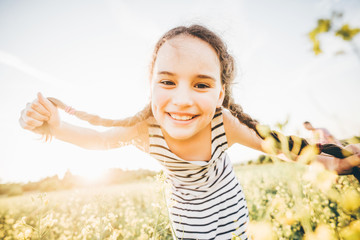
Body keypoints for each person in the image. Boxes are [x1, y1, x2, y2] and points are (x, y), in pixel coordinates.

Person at [19, 24, 360, 240]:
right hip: (186, 218)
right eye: (167, 81)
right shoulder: (144, 129)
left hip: (229, 207)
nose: (182, 100)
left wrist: (325, 159)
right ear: (150, 85)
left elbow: (274, 145)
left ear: (220, 95)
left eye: (201, 84)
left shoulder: (222, 123)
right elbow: (98, 140)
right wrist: (56, 125)